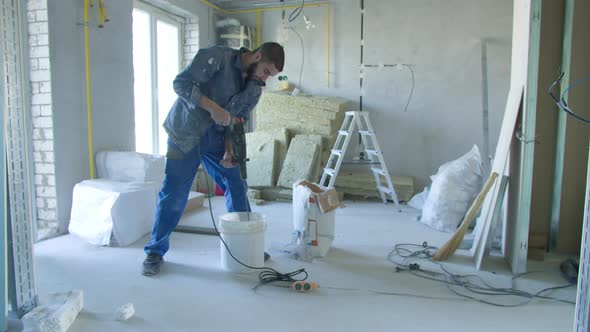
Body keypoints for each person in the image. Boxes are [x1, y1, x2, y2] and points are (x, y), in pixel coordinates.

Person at [142, 42, 284, 276]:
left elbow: (237, 118)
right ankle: (155, 251)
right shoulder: (218, 57)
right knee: (175, 192)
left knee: (237, 182)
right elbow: (181, 83)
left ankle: (244, 242)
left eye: (270, 76)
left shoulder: (255, 88)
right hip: (186, 133)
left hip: (216, 140)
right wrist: (212, 107)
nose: (265, 78)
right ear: (257, 55)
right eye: (266, 71)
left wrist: (229, 149)